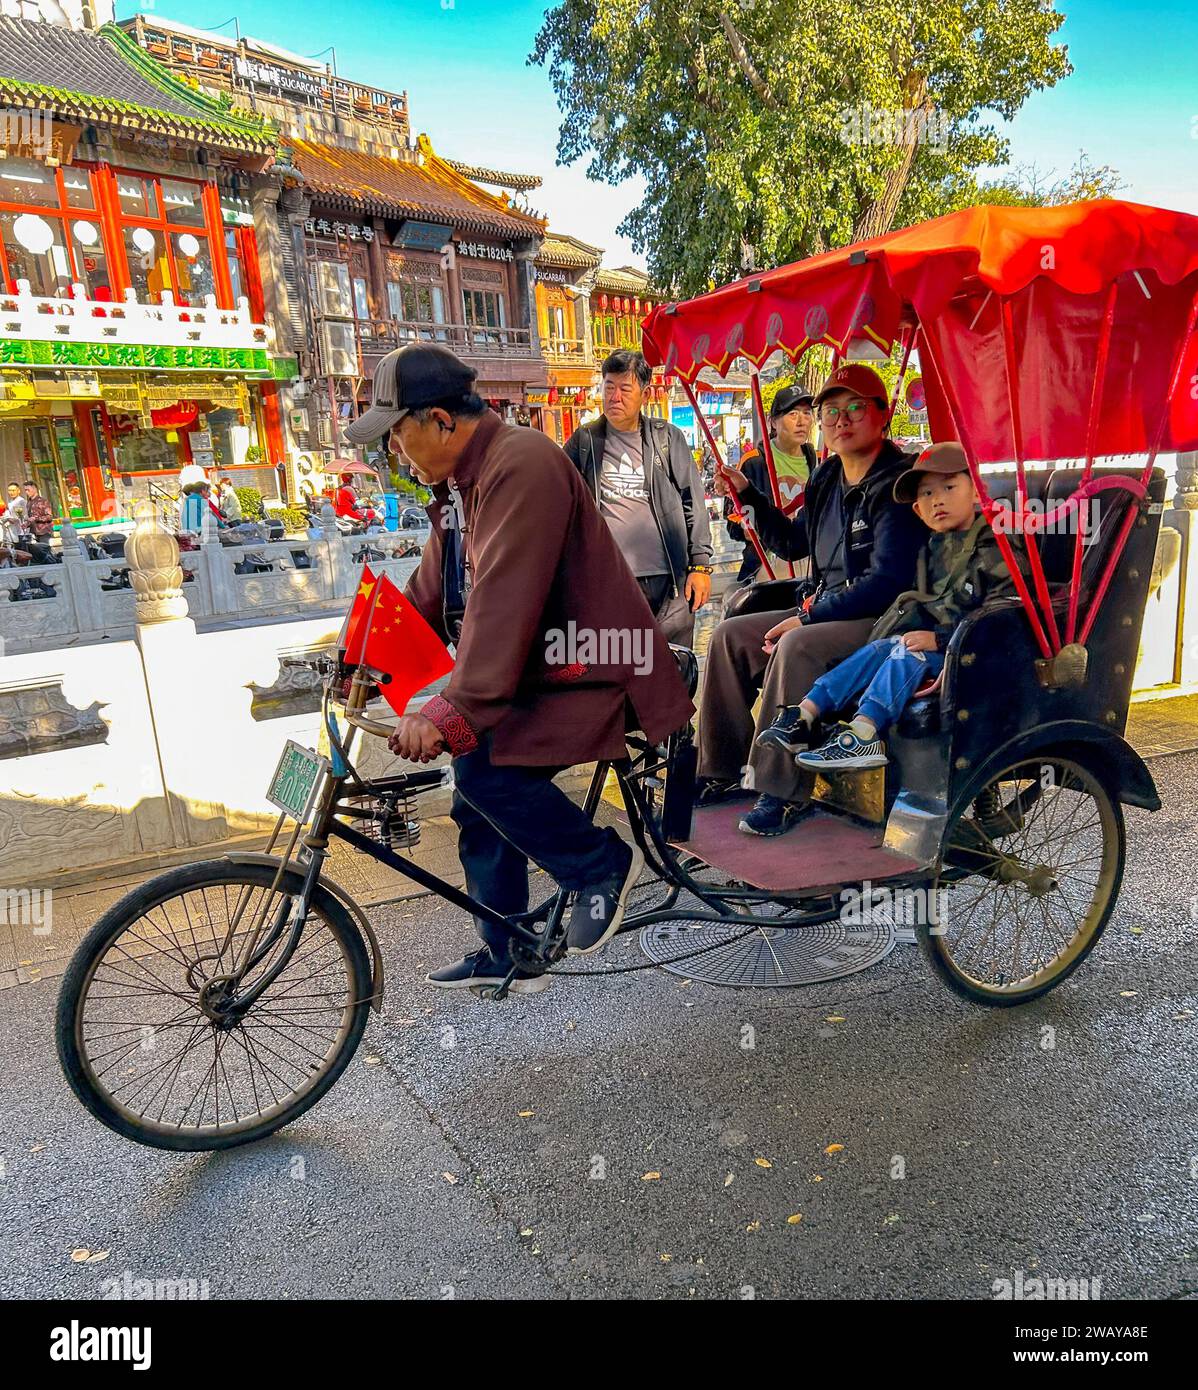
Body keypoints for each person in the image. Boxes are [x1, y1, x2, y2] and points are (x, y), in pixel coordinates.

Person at [343, 343, 693, 995]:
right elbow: (430, 590)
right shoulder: (462, 488)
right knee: (474, 787)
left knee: (481, 767)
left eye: (397, 434)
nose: (394, 453)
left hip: (598, 666)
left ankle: (599, 866)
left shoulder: (522, 462)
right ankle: (510, 944)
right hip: (542, 670)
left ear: (441, 421)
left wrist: (452, 713)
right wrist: (358, 656)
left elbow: (502, 604)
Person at [702, 362, 925, 835]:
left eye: (855, 409)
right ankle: (721, 769)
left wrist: (807, 620)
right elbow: (794, 544)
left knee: (796, 646)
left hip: (883, 620)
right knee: (729, 636)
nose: (841, 420)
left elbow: (887, 582)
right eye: (831, 412)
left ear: (882, 415)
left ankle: (782, 790)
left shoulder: (897, 484)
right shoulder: (826, 477)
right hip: (822, 603)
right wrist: (755, 499)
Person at [758, 442, 1022, 770]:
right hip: (940, 643)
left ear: (976, 491)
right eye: (926, 495)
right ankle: (806, 712)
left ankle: (864, 732)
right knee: (879, 649)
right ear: (917, 511)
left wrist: (941, 641)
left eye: (949, 487)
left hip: (974, 650)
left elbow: (1005, 617)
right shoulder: (933, 548)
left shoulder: (995, 546)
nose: (937, 499)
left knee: (904, 654)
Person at [563, 349, 712, 646]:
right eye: (608, 387)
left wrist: (700, 565)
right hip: (610, 580)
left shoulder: (667, 438)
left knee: (674, 669)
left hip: (669, 580)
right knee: (623, 668)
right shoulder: (585, 441)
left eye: (624, 389)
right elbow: (557, 499)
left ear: (644, 394)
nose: (614, 397)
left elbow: (692, 500)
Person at [726, 384, 817, 583]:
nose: (802, 421)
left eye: (807, 413)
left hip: (809, 565)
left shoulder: (819, 463)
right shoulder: (753, 463)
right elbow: (732, 522)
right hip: (765, 567)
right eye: (793, 414)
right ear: (773, 422)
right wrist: (749, 528)